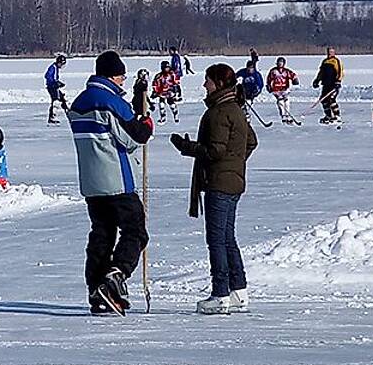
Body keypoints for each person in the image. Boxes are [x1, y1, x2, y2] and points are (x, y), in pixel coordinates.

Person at [68, 50, 155, 316]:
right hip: (117, 180)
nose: (123, 83)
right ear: (112, 76)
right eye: (121, 78)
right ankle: (115, 276)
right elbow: (132, 138)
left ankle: (97, 291)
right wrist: (146, 124)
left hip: (92, 183)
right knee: (136, 231)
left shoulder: (79, 102)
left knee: (102, 235)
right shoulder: (110, 102)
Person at [170, 64, 257, 314]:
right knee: (228, 237)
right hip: (233, 181)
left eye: (207, 80)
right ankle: (238, 290)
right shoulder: (236, 109)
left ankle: (220, 294)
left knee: (216, 240)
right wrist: (235, 162)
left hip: (220, 182)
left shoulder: (219, 112)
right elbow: (250, 141)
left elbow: (216, 151)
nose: (204, 85)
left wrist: (187, 147)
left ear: (218, 83)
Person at [313, 49, 344, 125]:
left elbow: (340, 72)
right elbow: (321, 72)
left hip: (333, 84)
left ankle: (337, 116)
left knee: (331, 99)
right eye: (328, 52)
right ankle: (328, 116)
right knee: (323, 100)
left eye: (331, 52)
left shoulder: (336, 61)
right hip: (325, 84)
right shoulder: (325, 61)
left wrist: (338, 81)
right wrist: (317, 80)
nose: (329, 53)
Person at [266, 57, 301, 125]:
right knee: (280, 102)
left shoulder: (286, 71)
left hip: (285, 89)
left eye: (281, 63)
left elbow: (293, 75)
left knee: (287, 101)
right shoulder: (273, 71)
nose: (280, 64)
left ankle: (287, 115)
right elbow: (269, 79)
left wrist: (295, 80)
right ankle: (283, 116)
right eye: (279, 62)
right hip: (276, 89)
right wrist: (269, 86)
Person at [44, 53, 70, 125]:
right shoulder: (53, 67)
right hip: (52, 87)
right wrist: (55, 83)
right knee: (56, 100)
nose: (62, 66)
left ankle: (68, 112)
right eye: (62, 64)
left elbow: (55, 78)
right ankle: (52, 117)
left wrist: (58, 83)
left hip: (54, 86)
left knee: (62, 98)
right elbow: (47, 76)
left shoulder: (55, 68)